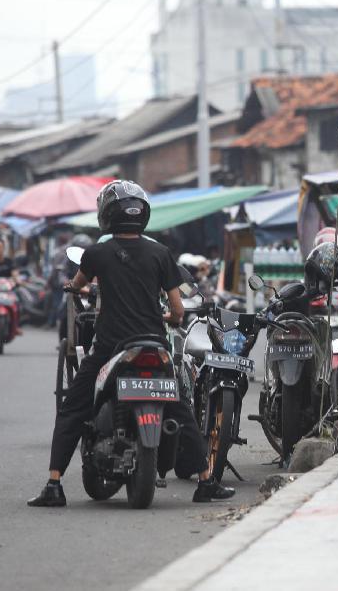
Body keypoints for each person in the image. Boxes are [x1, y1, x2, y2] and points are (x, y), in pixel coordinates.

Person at [28, 181, 235, 507]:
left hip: (111, 346)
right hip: (155, 345)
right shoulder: (161, 253)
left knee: (73, 409)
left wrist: (76, 287)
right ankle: (206, 481)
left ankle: (54, 484)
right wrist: (165, 319)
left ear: (106, 215)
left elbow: (77, 286)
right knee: (182, 410)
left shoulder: (96, 254)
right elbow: (178, 311)